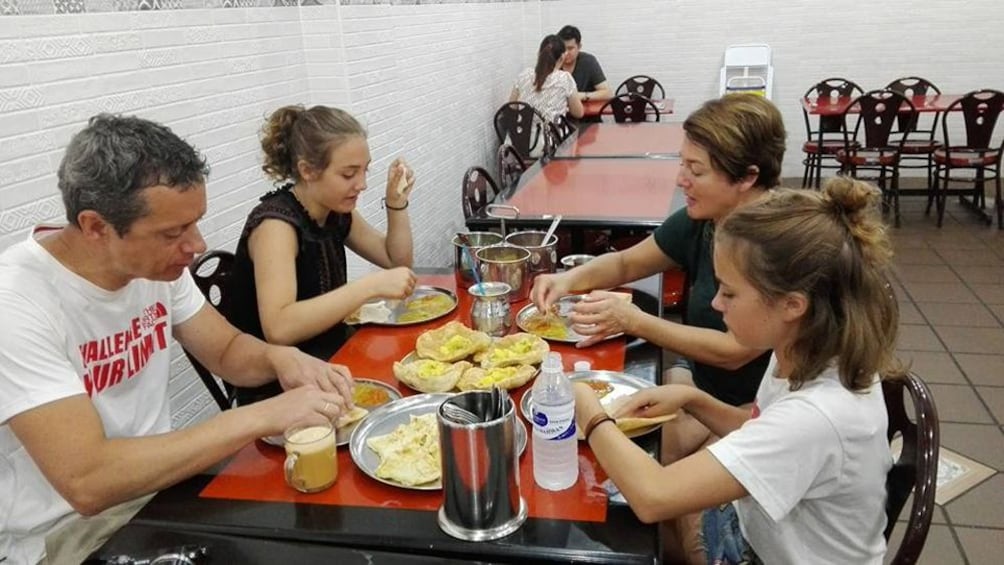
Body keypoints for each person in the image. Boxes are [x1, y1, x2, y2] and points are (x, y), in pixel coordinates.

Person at [0, 114, 355, 565]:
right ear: (95, 227)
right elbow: (88, 480)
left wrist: (280, 358)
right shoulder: (16, 303)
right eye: (173, 233)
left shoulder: (154, 266)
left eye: (195, 223)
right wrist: (264, 414)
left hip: (161, 494)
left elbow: (226, 350)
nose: (197, 244)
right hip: (69, 536)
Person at [575, 178, 900, 564]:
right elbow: (758, 423)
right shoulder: (802, 346)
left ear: (792, 305)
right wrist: (693, 398)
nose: (715, 303)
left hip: (761, 552)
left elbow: (653, 496)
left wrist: (587, 407)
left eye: (729, 292)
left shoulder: (817, 416)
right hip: (756, 523)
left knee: (625, 514)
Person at [531, 93, 784, 461]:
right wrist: (566, 279)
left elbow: (736, 352)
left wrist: (634, 320)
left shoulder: (780, 245)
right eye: (683, 165)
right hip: (702, 385)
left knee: (661, 487)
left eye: (696, 171)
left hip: (759, 406)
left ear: (747, 177)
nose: (681, 180)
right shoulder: (705, 221)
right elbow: (625, 264)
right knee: (621, 453)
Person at [224, 105, 417, 406]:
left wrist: (396, 204)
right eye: (348, 174)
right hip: (281, 388)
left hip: (333, 360)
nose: (362, 184)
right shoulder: (276, 225)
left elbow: (396, 261)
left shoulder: (335, 212)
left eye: (365, 170)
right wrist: (369, 287)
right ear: (307, 170)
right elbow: (280, 328)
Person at [510, 34, 585, 126]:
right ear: (562, 57)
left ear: (539, 54)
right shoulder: (565, 78)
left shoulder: (524, 75)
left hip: (518, 138)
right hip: (551, 139)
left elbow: (511, 107)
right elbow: (579, 113)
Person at [557, 25, 613, 103]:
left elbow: (608, 94)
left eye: (570, 48)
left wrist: (582, 96)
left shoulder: (588, 61)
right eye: (563, 49)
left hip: (587, 112)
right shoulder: (553, 62)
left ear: (579, 47)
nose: (566, 53)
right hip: (560, 113)